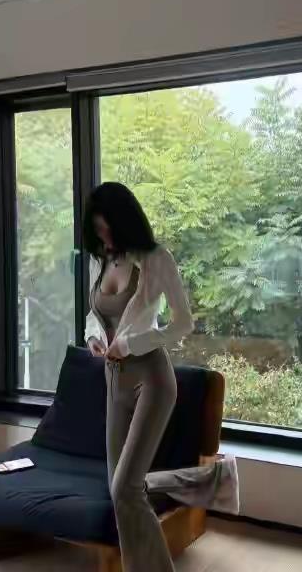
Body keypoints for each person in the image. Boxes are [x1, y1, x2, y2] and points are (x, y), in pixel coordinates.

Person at [83, 182, 239, 572]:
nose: (104, 237)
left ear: (125, 221)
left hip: (151, 377)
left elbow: (183, 323)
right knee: (121, 490)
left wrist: (132, 342)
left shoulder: (156, 259)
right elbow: (94, 314)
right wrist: (93, 338)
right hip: (113, 379)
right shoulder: (99, 259)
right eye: (97, 229)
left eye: (108, 228)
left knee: (125, 488)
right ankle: (213, 480)